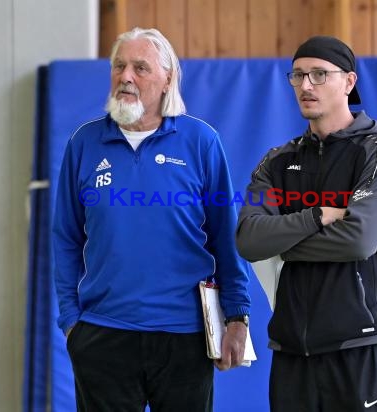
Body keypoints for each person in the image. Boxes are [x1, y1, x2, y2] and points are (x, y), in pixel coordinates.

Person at [53, 27, 251, 412]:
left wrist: (238, 315)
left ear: (167, 80)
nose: (126, 77)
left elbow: (226, 237)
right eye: (119, 66)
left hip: (185, 336)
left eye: (140, 68)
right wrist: (71, 321)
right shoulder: (85, 143)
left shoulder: (201, 141)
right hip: (102, 334)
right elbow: (65, 238)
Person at [236, 35, 377, 411]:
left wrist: (281, 240)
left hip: (361, 350)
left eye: (318, 74)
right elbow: (248, 240)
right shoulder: (276, 162)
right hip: (292, 353)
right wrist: (318, 215)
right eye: (297, 76)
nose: (306, 85)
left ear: (348, 82)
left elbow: (358, 240)